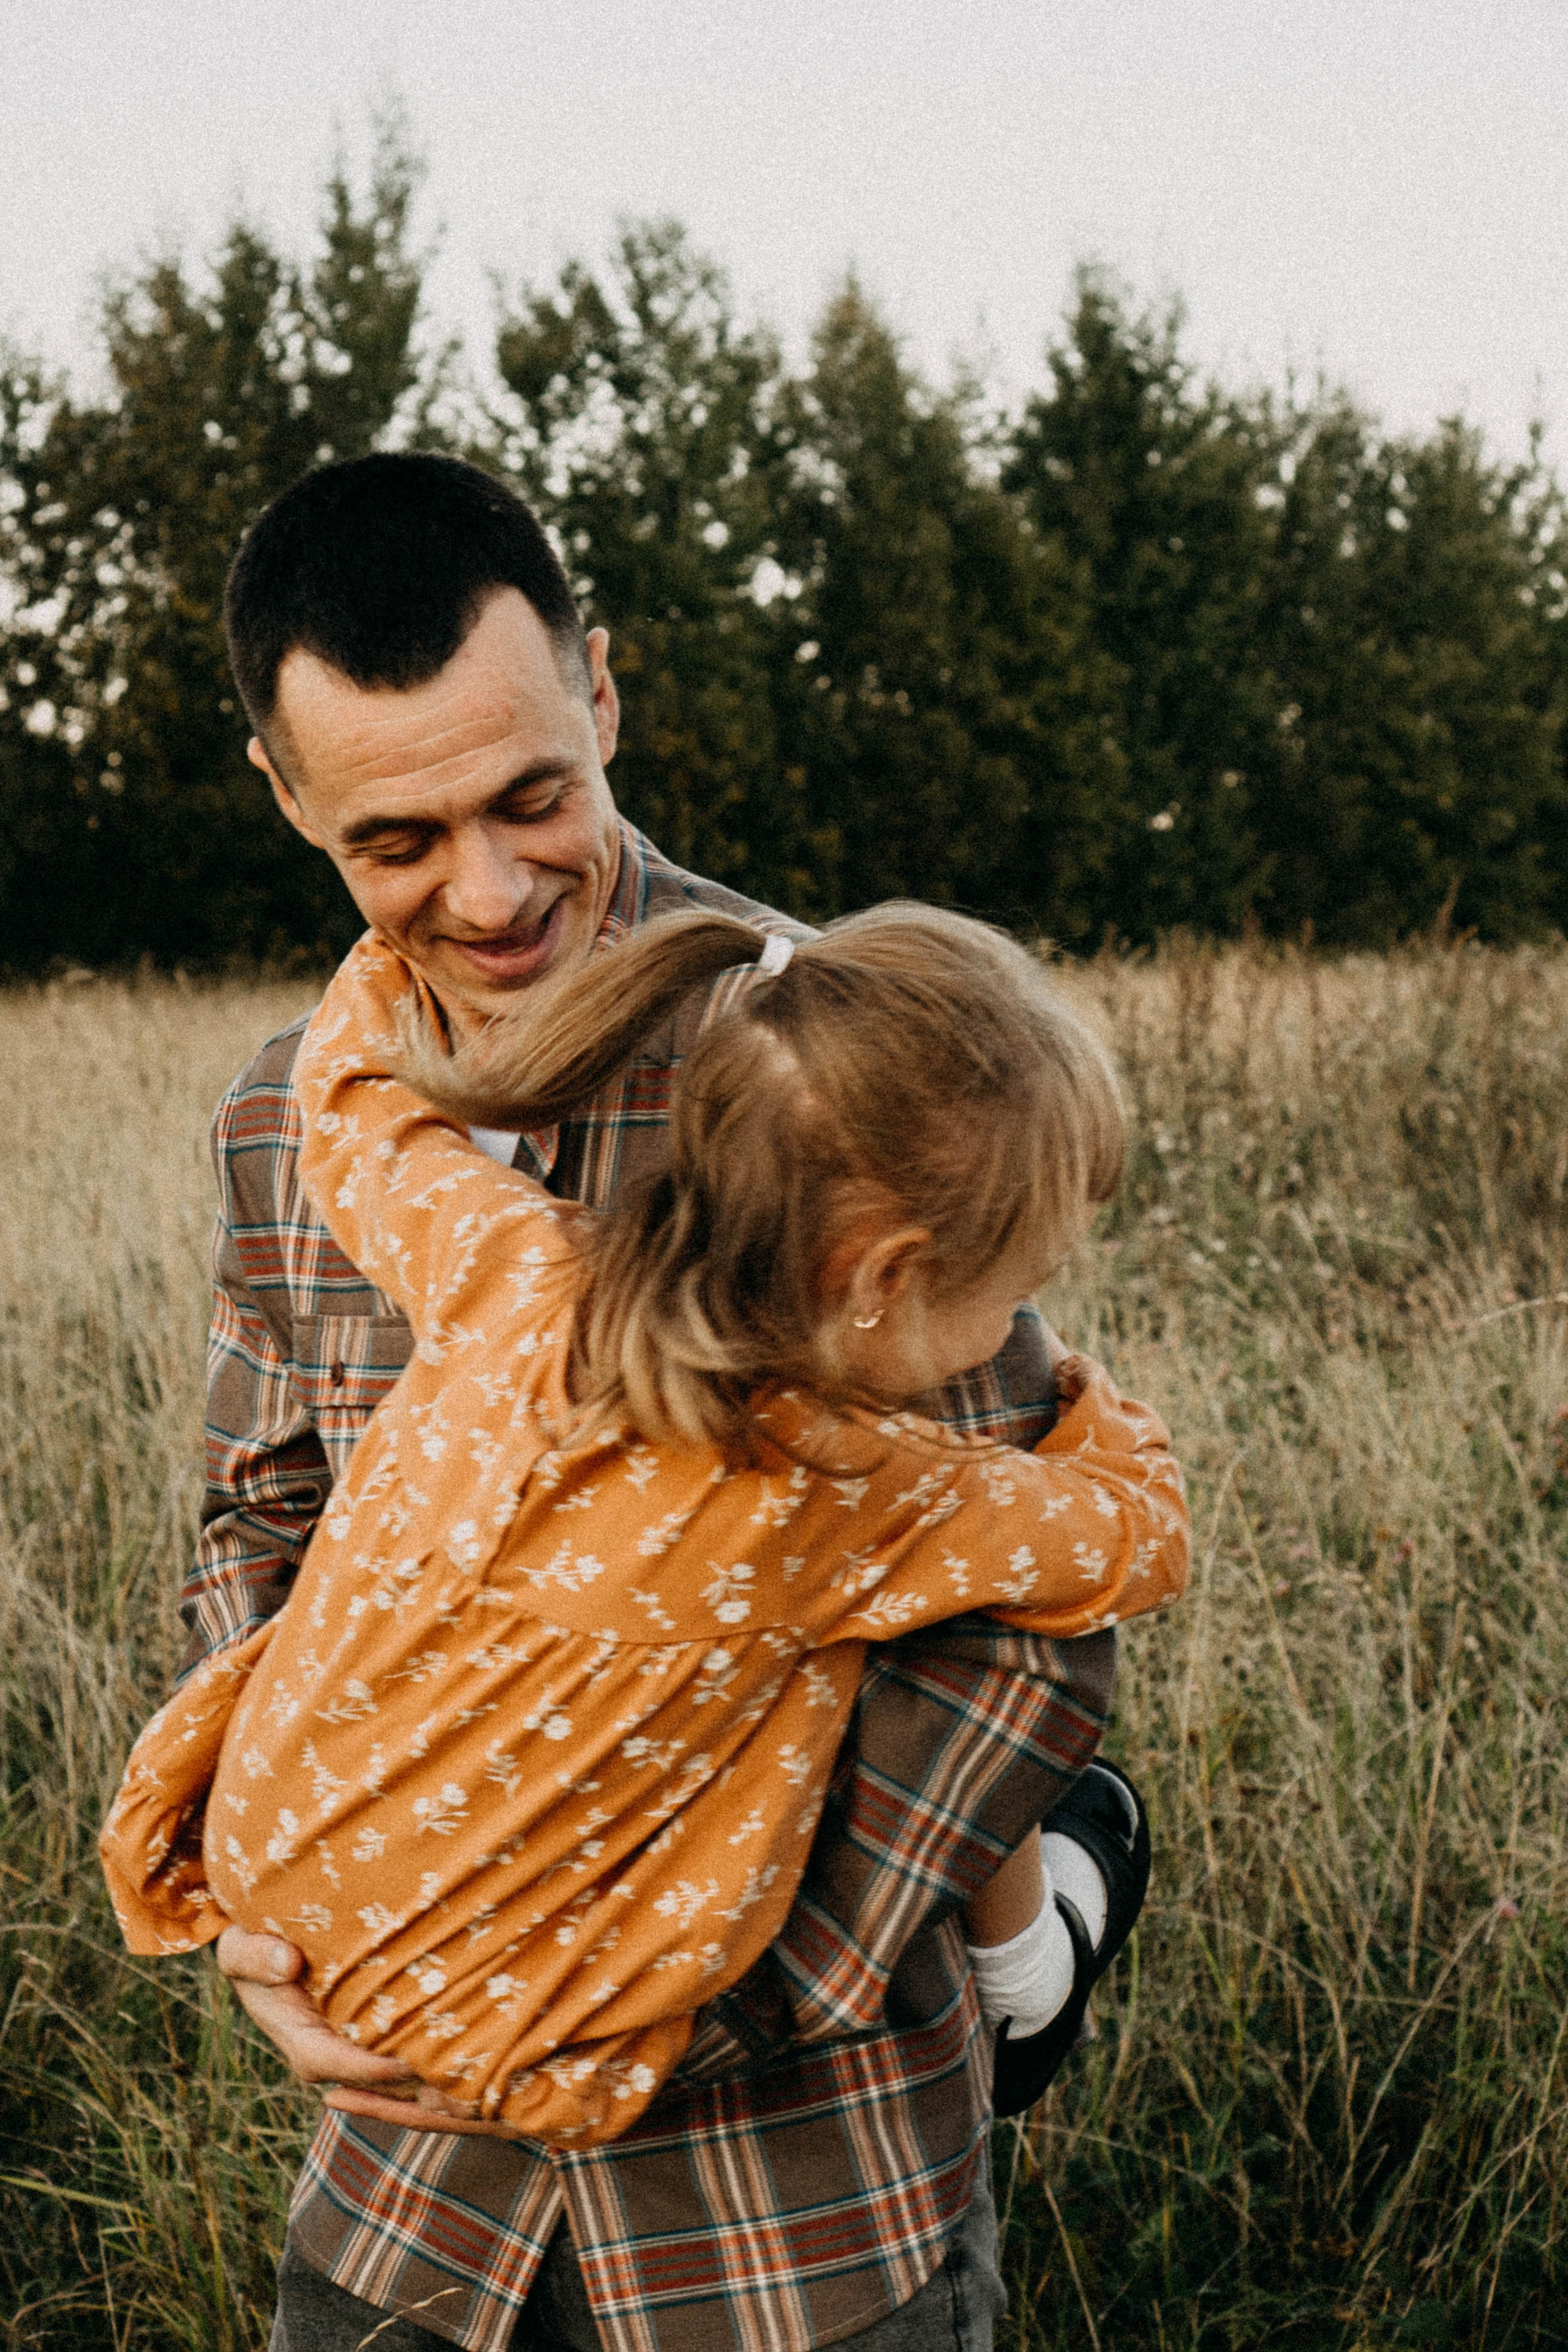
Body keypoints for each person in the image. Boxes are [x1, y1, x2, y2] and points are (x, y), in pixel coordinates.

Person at [186, 449, 1164, 2351]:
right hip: (407, 2224)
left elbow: (1023, 1637)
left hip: (797, 2220)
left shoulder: (850, 1058)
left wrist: (688, 2000)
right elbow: (256, 1524)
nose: (483, 888)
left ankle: (1059, 1934)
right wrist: (275, 1924)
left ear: (605, 694)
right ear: (287, 797)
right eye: (394, 838)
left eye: (532, 796)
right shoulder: (278, 1120)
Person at [103, 906, 1188, 2146]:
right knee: (829, 1679)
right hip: (493, 2037)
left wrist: (374, 967)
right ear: (881, 1279)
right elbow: (1134, 1532)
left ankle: (1034, 1956)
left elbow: (359, 1114)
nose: (1012, 1329)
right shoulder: (841, 1493)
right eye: (1013, 1289)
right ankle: (1037, 1968)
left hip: (265, 1874)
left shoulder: (513, 1269)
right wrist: (1091, 1410)